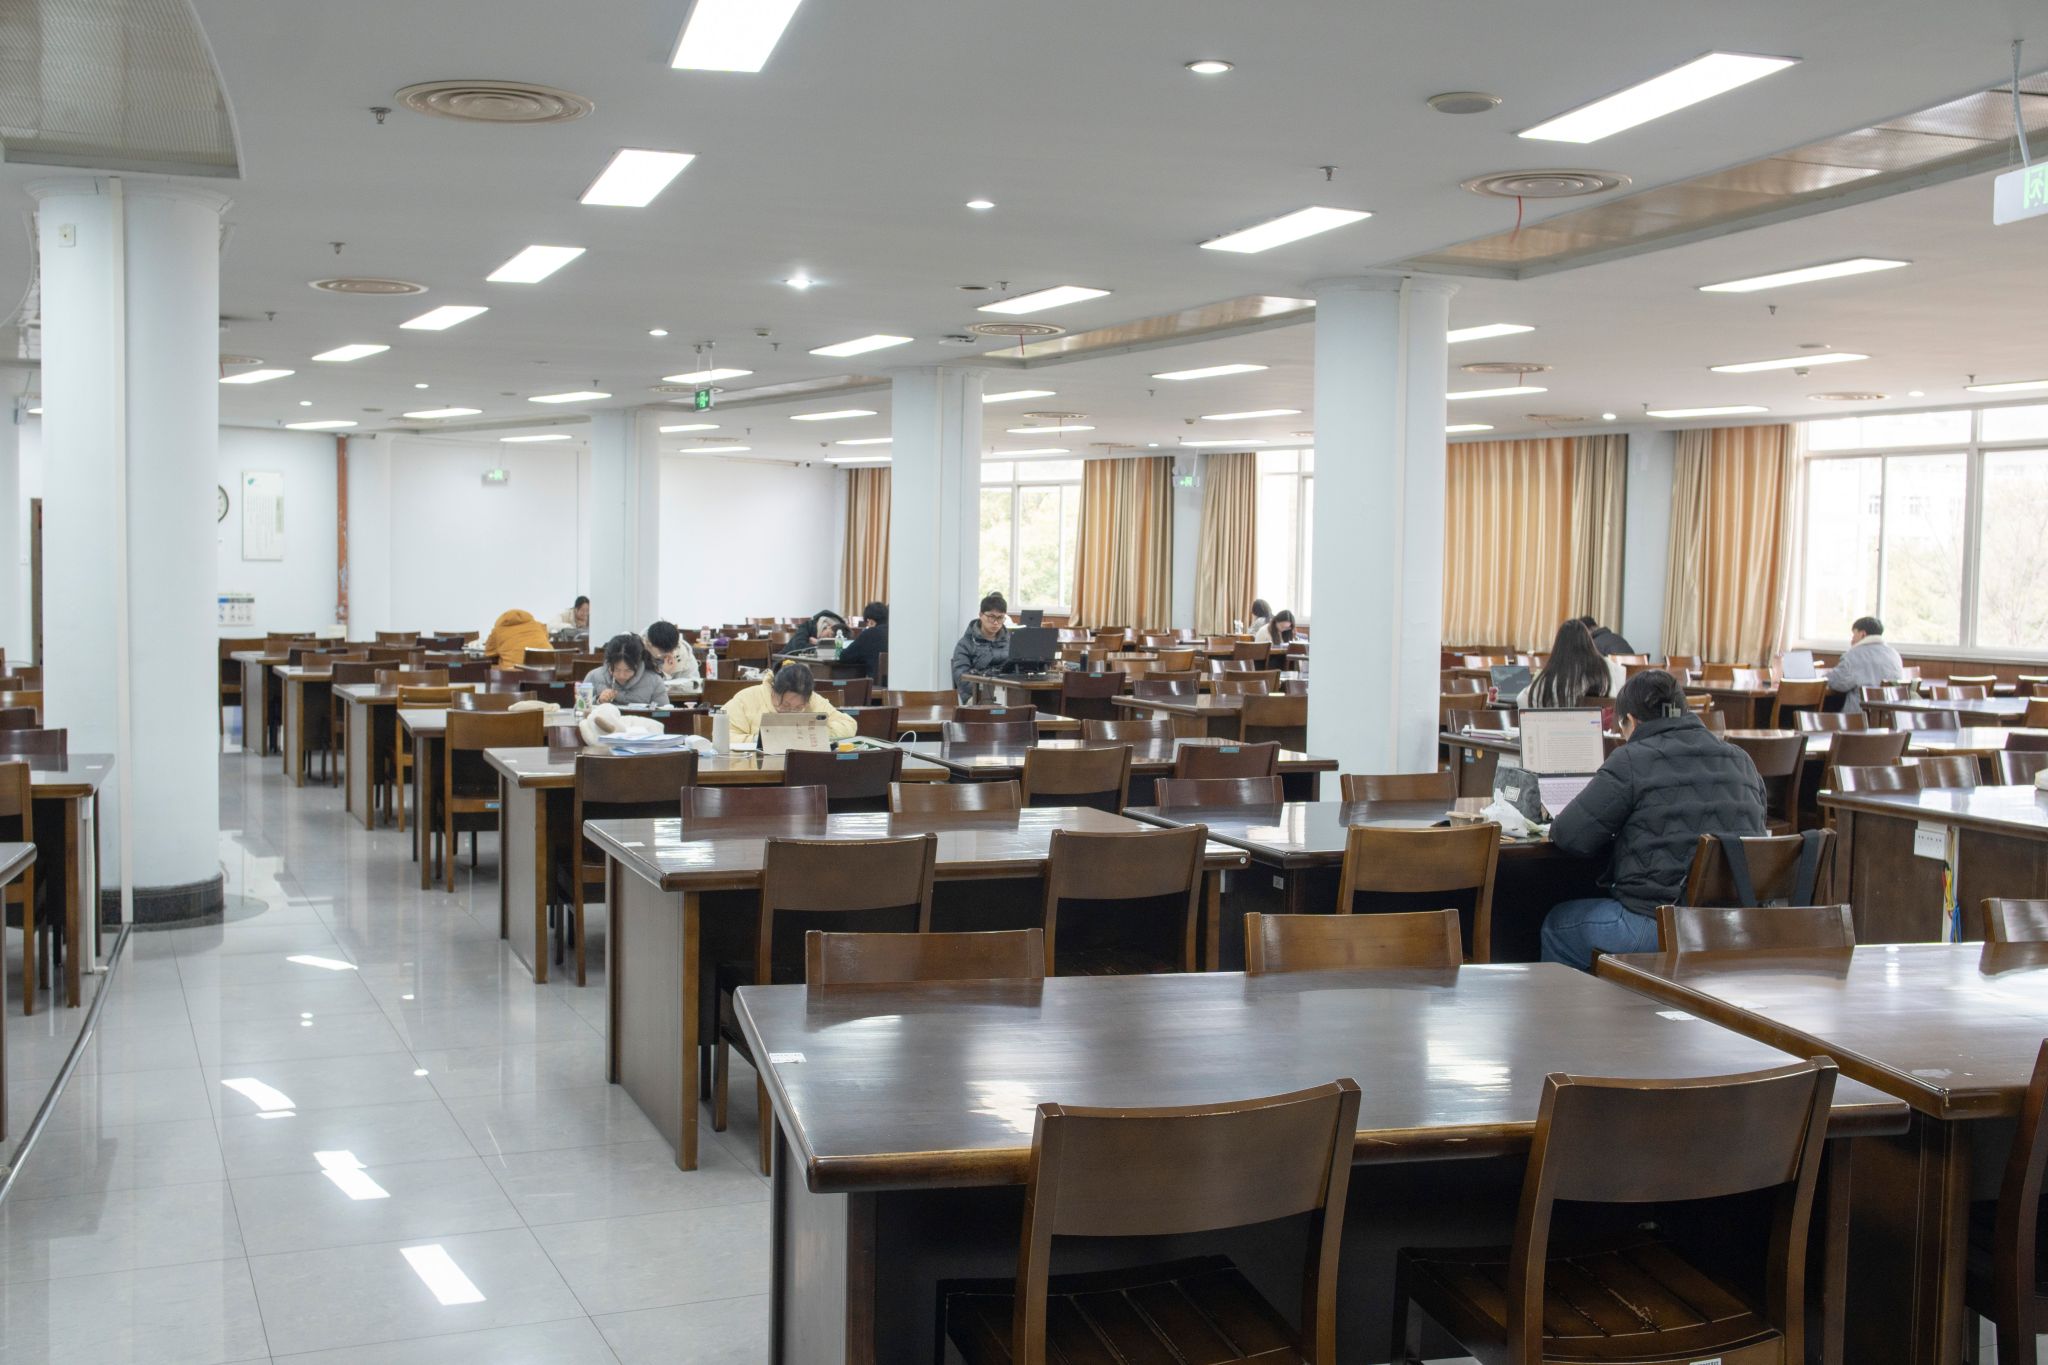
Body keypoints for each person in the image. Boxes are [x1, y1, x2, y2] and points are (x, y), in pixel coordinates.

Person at [1539, 669, 1767, 970]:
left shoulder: (1631, 759)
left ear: (1631, 721)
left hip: (1661, 926)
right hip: (1735, 928)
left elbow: (1569, 835)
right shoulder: (1742, 759)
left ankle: (1600, 1002)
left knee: (1558, 926)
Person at [722, 662, 857, 746]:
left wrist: (813, 733)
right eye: (785, 705)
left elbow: (849, 725)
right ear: (773, 690)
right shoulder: (747, 699)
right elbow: (722, 736)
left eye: (798, 708)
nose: (790, 712)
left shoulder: (813, 700)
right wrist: (760, 740)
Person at [1520, 619, 1625, 709]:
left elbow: (1521, 699)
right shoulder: (1610, 668)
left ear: (1558, 647)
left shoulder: (1553, 674)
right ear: (1589, 643)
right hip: (1602, 726)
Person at [1824, 616, 1905, 716]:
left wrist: (1824, 676)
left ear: (1863, 634)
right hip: (1889, 716)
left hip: (1860, 717)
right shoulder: (1894, 654)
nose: (1852, 640)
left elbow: (1837, 682)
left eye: (1854, 634)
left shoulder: (1853, 655)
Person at [950, 593, 1011, 700]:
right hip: (975, 695)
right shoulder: (965, 644)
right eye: (991, 617)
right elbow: (961, 678)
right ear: (981, 615)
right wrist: (989, 689)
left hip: (1008, 692)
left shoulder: (1010, 642)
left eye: (1000, 618)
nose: (996, 622)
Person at [581, 633, 668, 707]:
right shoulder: (594, 676)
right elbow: (580, 709)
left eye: (628, 670)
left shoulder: (654, 681)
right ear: (609, 663)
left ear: (638, 664)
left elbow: (664, 713)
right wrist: (599, 701)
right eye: (616, 669)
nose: (621, 676)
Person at [644, 619, 701, 693]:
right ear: (648, 644)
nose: (669, 656)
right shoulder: (637, 652)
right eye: (663, 653)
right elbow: (643, 690)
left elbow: (695, 687)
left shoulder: (684, 653)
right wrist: (664, 674)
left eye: (672, 650)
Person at [836, 601, 889, 680]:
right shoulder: (896, 633)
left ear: (870, 621)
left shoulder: (869, 634)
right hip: (897, 684)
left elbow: (844, 656)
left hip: (876, 685)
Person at [481, 608, 551, 665]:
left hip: (515, 674)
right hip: (548, 672)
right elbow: (546, 639)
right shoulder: (538, 625)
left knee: (491, 668)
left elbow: (489, 653)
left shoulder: (498, 631)